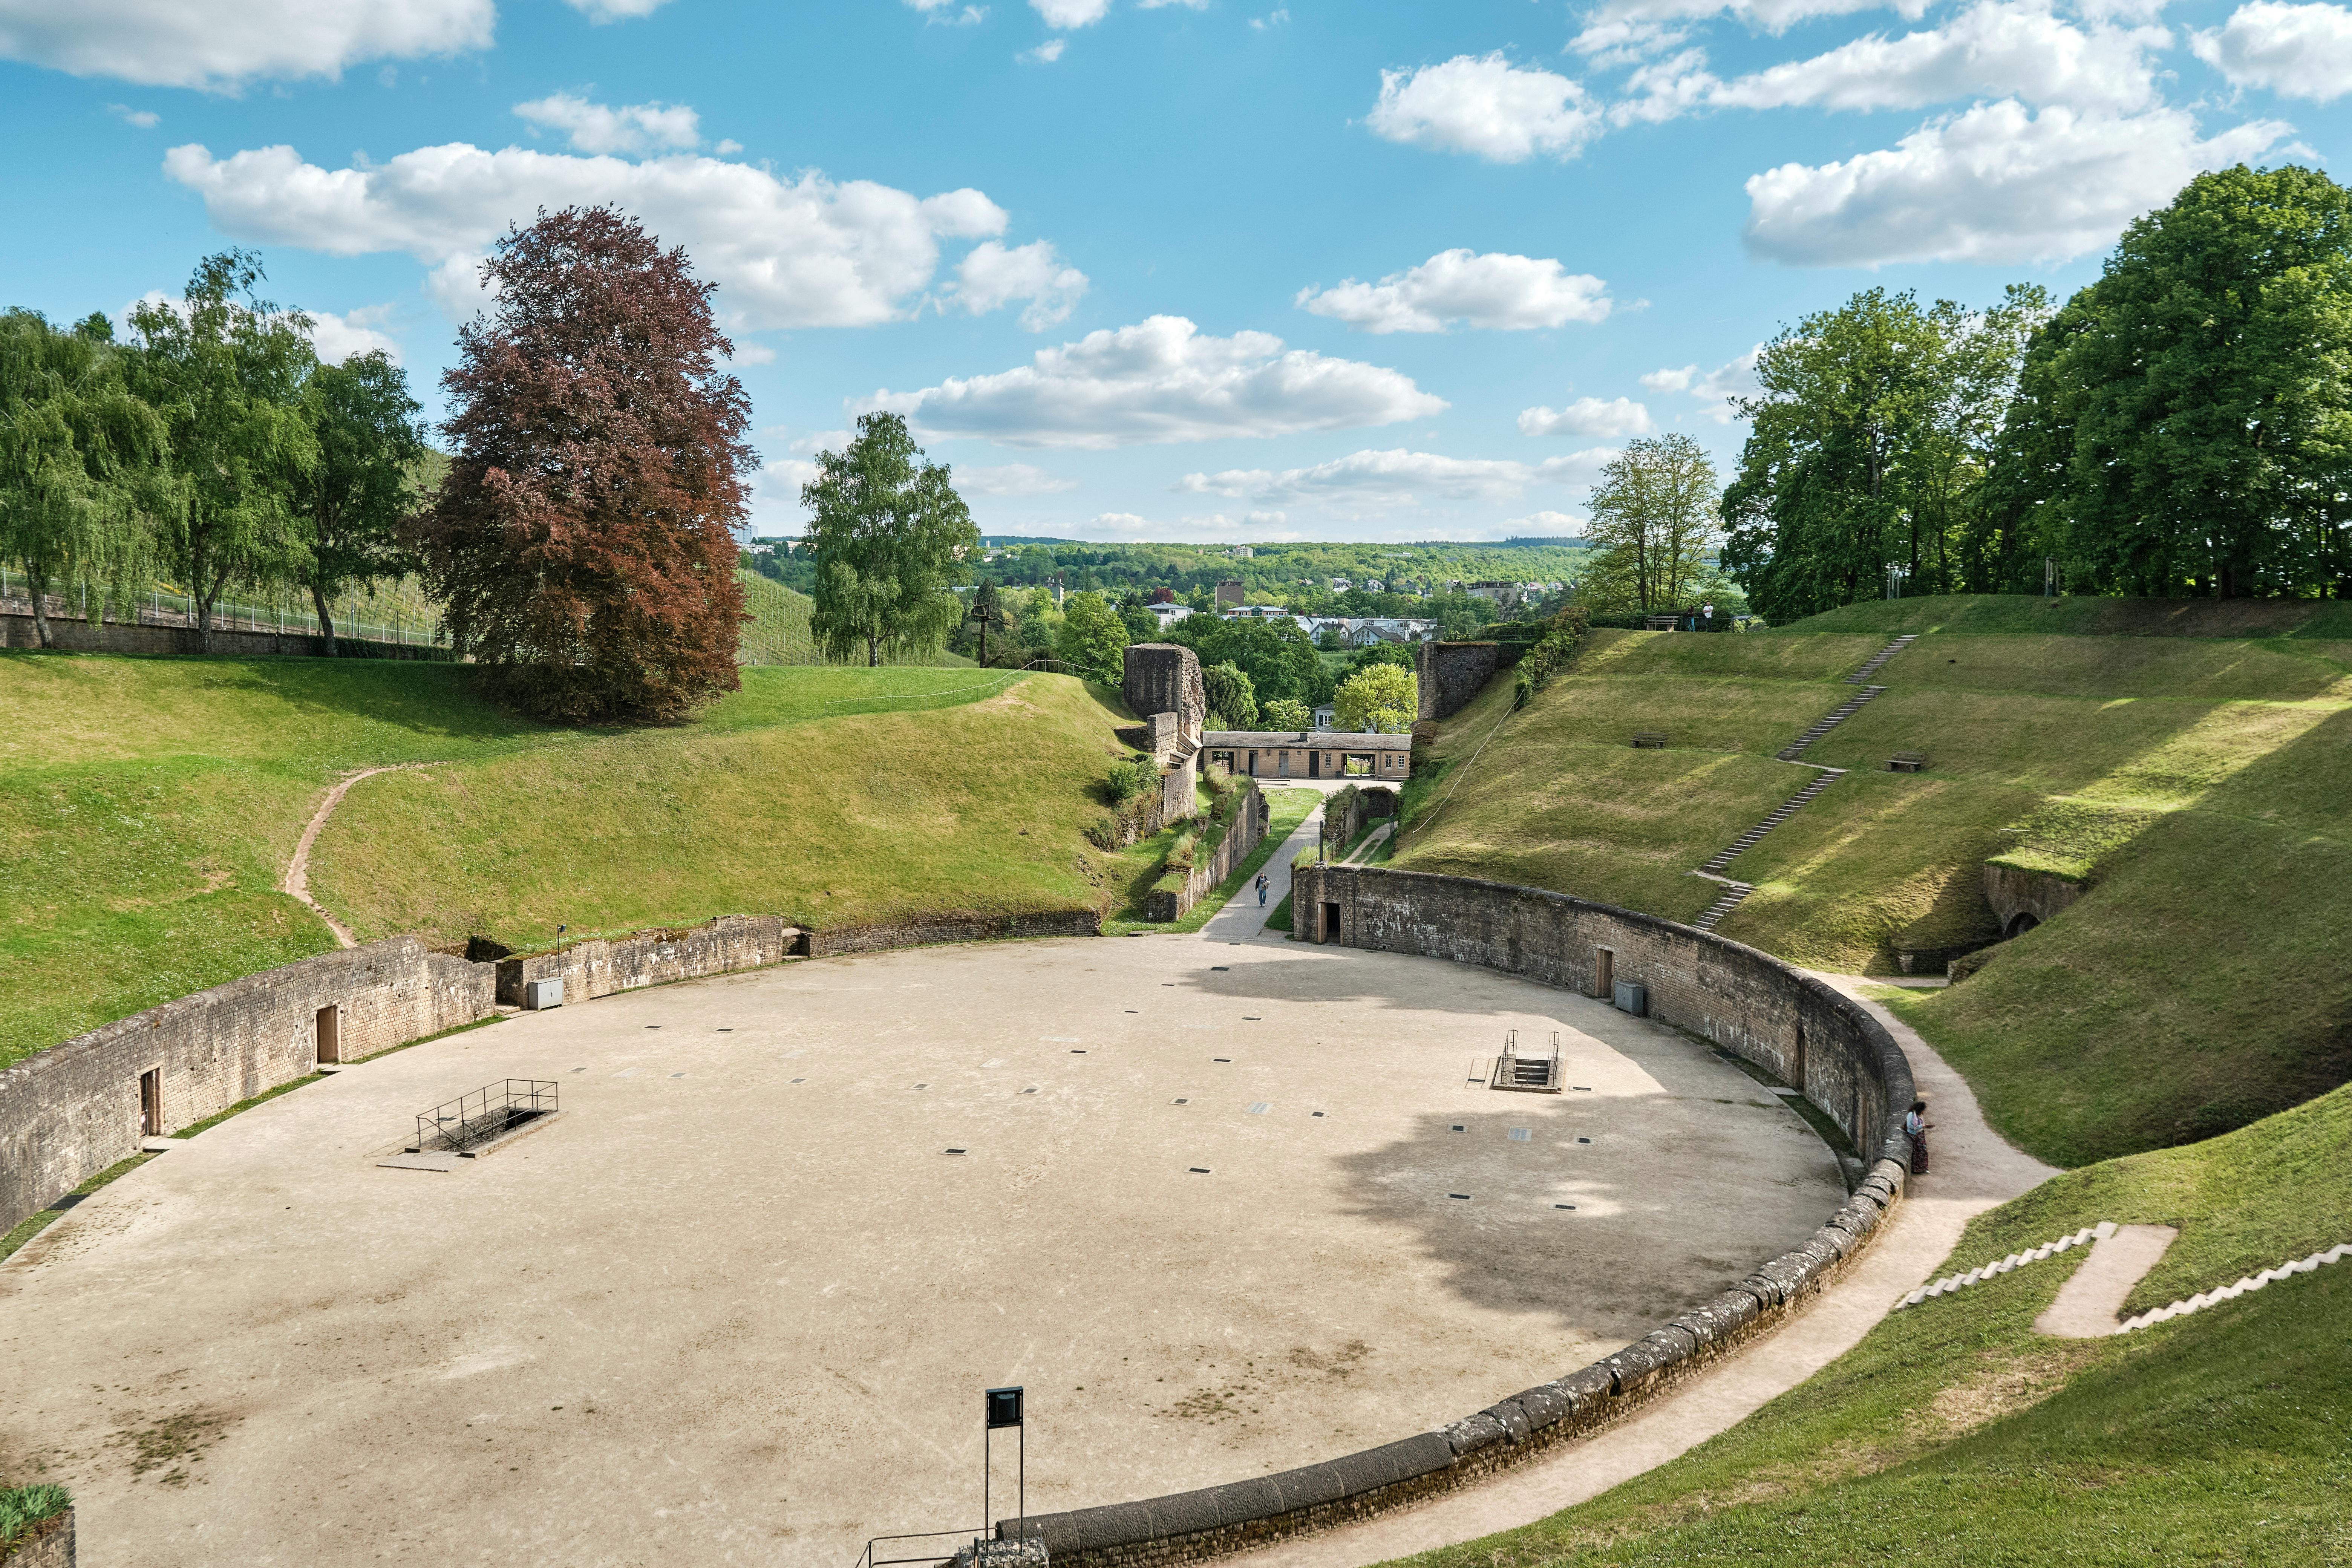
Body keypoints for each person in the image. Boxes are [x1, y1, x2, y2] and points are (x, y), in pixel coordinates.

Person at [1905, 1095, 1932, 1175]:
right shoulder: (1911, 1115)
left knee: (1923, 1151)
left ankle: (1923, 1168)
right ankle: (1917, 1169)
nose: (1924, 1111)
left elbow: (1920, 1124)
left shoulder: (1920, 1115)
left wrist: (1925, 1126)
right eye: (1924, 1110)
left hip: (1920, 1135)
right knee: (1918, 1151)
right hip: (1914, 1135)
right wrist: (1921, 1126)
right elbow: (1910, 1126)